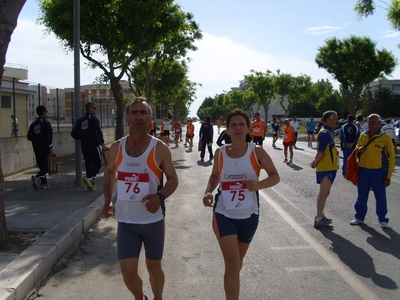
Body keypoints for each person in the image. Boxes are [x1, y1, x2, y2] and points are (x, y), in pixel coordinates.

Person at [102, 97, 179, 300]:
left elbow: (173, 179)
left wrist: (160, 196)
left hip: (152, 221)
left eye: (143, 113)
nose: (138, 117)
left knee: (154, 266)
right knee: (127, 272)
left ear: (150, 118)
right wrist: (108, 200)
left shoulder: (160, 148)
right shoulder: (117, 148)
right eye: (134, 113)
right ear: (128, 117)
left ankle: (158, 298)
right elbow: (110, 173)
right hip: (126, 221)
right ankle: (140, 298)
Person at [203, 108, 280, 300]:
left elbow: (275, 176)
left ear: (249, 129)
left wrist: (259, 185)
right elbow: (215, 175)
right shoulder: (220, 153)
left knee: (237, 264)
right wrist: (208, 191)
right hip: (223, 213)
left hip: (249, 215)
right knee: (231, 263)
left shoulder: (257, 152)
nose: (237, 128)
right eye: (233, 125)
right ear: (227, 129)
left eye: (241, 124)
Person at [350, 114, 395, 229]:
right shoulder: (363, 135)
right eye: (369, 121)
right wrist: (358, 150)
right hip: (363, 171)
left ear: (379, 123)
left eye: (373, 122)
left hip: (378, 172)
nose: (371, 124)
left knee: (380, 196)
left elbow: (391, 158)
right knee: (361, 195)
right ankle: (359, 217)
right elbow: (356, 150)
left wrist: (388, 176)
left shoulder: (385, 138)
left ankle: (382, 219)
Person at [310, 110, 339, 230]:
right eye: (335, 118)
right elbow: (320, 152)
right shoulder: (325, 134)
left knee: (325, 193)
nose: (337, 120)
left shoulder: (328, 132)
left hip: (330, 167)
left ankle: (320, 215)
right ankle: (318, 219)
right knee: (323, 194)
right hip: (326, 168)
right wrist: (315, 162)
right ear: (328, 120)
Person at [71, 102, 109, 191]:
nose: (96, 110)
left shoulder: (80, 120)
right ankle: (90, 179)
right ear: (90, 109)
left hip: (84, 146)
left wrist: (83, 137)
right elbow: (97, 133)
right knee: (98, 164)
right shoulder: (93, 119)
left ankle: (90, 182)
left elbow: (74, 134)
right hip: (93, 145)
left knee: (88, 163)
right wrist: (102, 144)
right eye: (94, 108)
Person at [27, 106, 54, 190]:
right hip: (45, 148)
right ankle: (37, 177)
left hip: (36, 148)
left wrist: (36, 139)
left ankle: (44, 182)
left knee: (41, 165)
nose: (47, 112)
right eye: (46, 111)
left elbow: (29, 137)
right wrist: (51, 148)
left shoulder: (33, 124)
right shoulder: (46, 123)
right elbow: (48, 137)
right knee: (46, 166)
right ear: (43, 112)